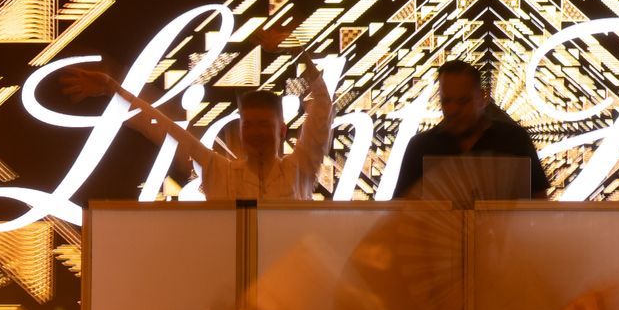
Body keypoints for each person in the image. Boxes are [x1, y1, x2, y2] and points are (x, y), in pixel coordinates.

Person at [61, 56, 331, 202]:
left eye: (264, 125)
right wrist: (113, 88)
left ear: (282, 130)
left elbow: (321, 108)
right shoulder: (221, 172)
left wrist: (297, 51)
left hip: (292, 291)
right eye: (250, 124)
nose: (256, 132)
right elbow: (161, 125)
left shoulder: (299, 170)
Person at [391, 60, 549, 200]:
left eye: (462, 101)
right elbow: (400, 211)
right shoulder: (420, 147)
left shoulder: (515, 140)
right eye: (447, 101)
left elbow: (540, 207)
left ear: (483, 98)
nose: (452, 109)